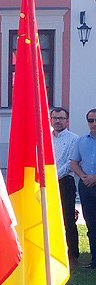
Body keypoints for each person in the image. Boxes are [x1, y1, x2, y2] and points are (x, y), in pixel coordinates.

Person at [51, 107, 80, 264]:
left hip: (65, 182)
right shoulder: (45, 138)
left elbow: (71, 163)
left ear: (67, 120)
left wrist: (53, 176)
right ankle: (53, 251)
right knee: (49, 218)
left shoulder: (74, 139)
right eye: (55, 118)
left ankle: (73, 254)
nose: (57, 121)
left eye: (61, 118)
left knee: (68, 218)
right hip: (47, 182)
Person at [69, 108, 96, 269]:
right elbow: (74, 163)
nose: (93, 123)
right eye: (90, 120)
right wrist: (85, 177)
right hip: (86, 186)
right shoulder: (81, 141)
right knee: (91, 224)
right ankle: (94, 260)